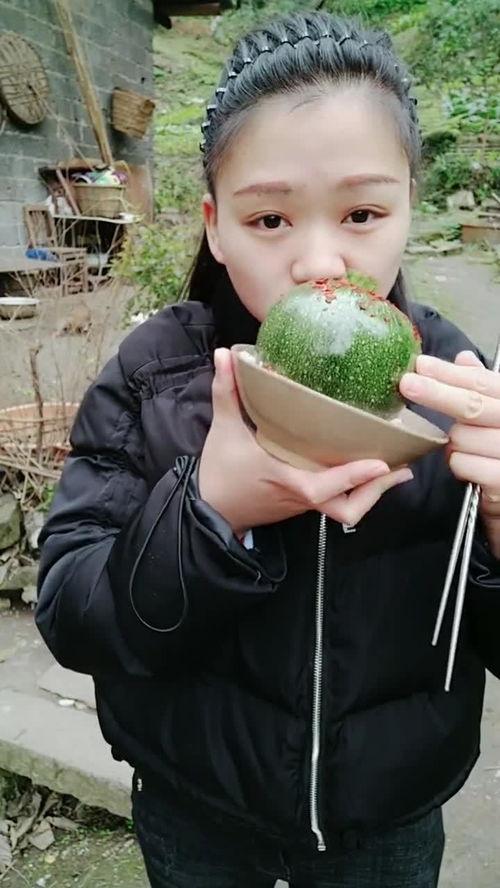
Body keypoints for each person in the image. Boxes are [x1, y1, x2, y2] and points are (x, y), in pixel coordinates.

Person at [35, 10, 500, 888]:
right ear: (216, 227)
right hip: (195, 806)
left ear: (410, 204)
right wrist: (209, 513)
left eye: (362, 212)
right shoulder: (152, 375)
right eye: (271, 219)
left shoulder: (459, 394)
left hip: (387, 819)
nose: (321, 262)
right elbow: (69, 611)